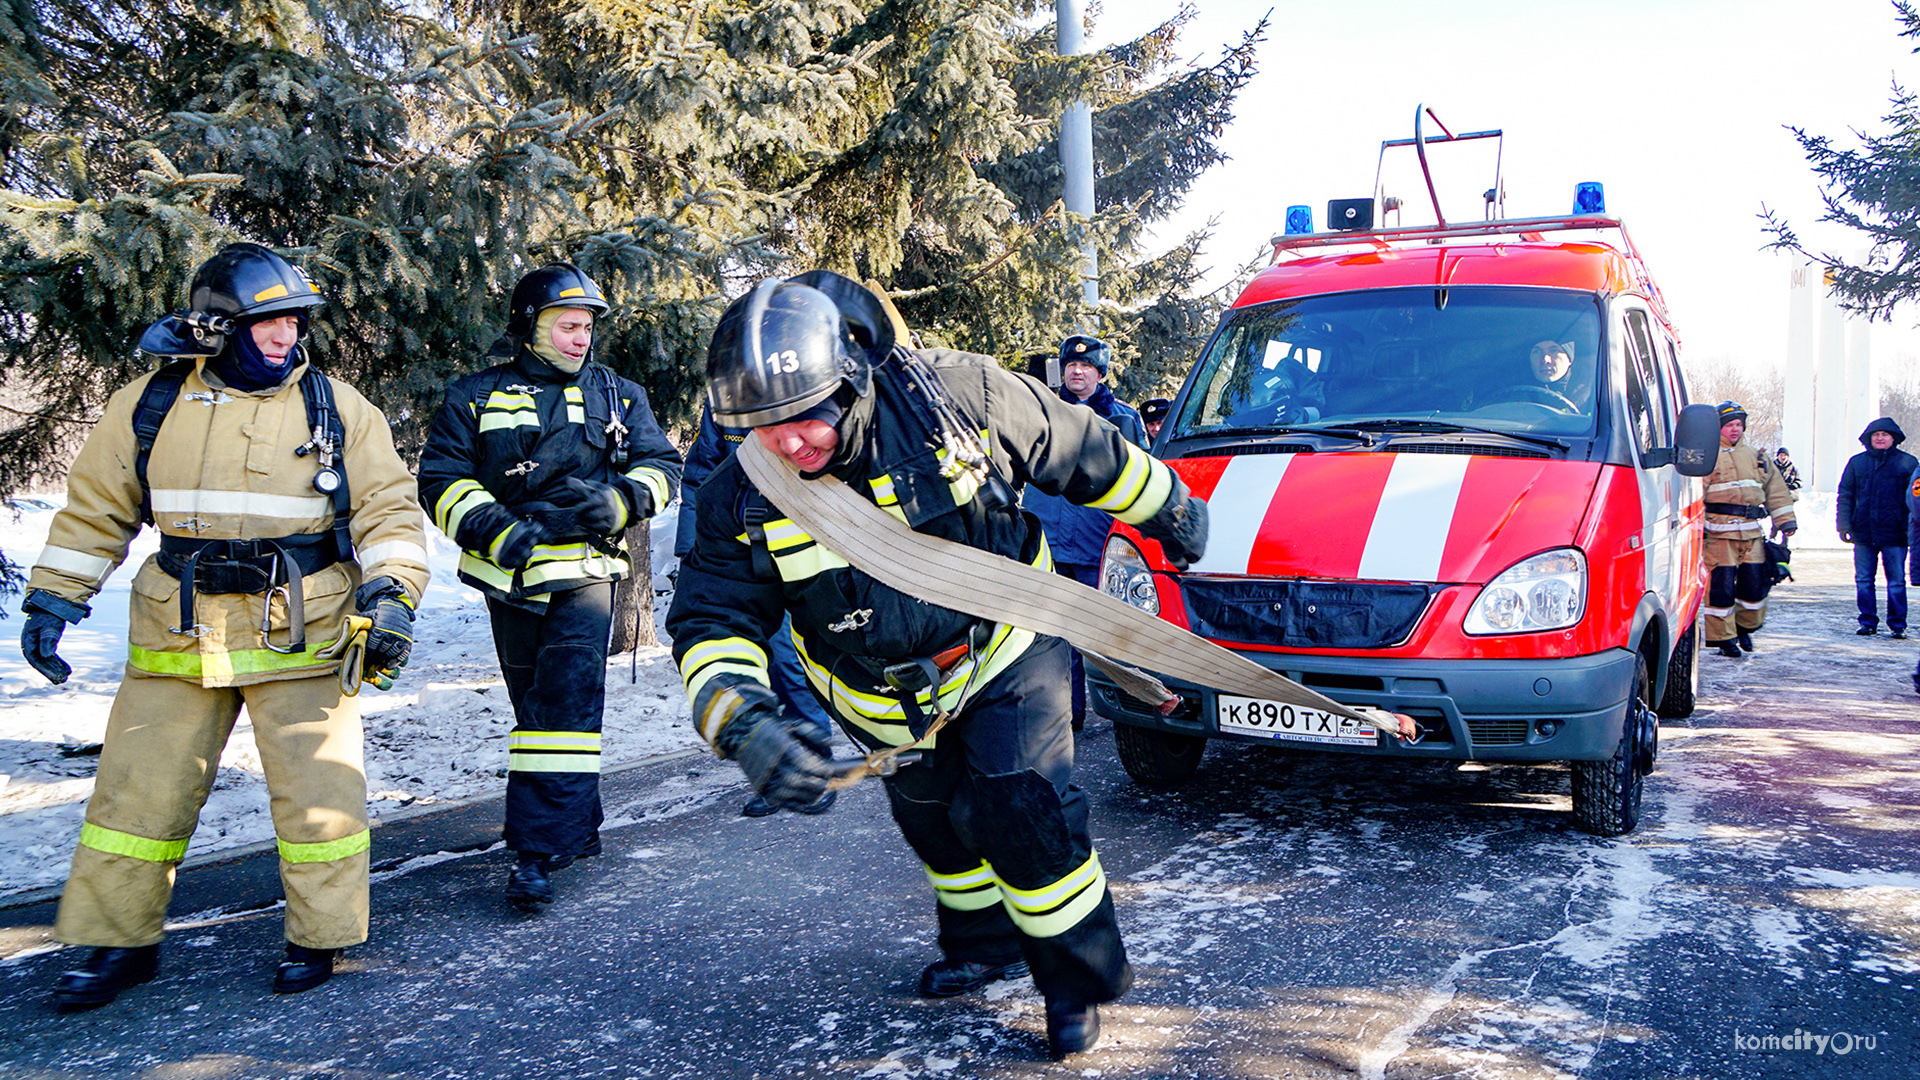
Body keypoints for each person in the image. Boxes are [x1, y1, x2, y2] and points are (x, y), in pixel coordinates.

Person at [666, 272, 1208, 1059]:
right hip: (876, 697)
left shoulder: (958, 401)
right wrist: (743, 722)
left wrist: (1170, 505)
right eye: (763, 426)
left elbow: (1082, 450)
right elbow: (713, 619)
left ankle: (1075, 978)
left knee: (1020, 809)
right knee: (937, 826)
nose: (787, 442)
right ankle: (983, 943)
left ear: (849, 382)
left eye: (806, 416)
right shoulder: (740, 496)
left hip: (1003, 649)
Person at [19, 242, 429, 1009]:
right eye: (267, 323)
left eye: (294, 322)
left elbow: (390, 514)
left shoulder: (338, 408)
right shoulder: (149, 404)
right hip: (179, 633)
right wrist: (54, 596)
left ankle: (321, 935)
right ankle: (116, 944)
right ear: (216, 328)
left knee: (320, 800)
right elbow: (94, 510)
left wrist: (395, 595)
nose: (286, 338)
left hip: (302, 631)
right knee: (136, 800)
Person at [416, 263, 681, 909]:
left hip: (585, 574)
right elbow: (441, 476)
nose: (579, 338)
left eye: (586, 327)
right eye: (566, 326)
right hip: (507, 579)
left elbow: (663, 464)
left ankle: (534, 854)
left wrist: (621, 502)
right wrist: (492, 528)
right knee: (536, 709)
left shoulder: (620, 395)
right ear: (529, 326)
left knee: (559, 709)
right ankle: (573, 827)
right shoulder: (475, 395)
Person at [674, 402, 838, 817]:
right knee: (764, 661)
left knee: (790, 665)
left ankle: (814, 766)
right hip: (744, 555)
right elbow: (699, 475)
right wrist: (690, 545)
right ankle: (781, 767)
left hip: (802, 548)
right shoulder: (723, 409)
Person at [1021, 335, 1147, 733]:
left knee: (1108, 632)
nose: (1077, 371)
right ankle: (1066, 716)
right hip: (1049, 541)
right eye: (1071, 365)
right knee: (1055, 634)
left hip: (1098, 543)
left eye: (1086, 366)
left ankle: (1129, 710)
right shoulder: (1043, 411)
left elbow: (1142, 476)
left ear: (1100, 372)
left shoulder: (1123, 419)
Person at [1703, 401, 1797, 657]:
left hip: (1752, 535)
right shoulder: (1706, 457)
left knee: (1754, 586)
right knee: (1720, 590)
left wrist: (1785, 520)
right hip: (1718, 534)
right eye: (1729, 425)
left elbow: (1776, 491)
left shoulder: (1758, 457)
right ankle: (1724, 639)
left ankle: (1744, 627)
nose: (1734, 430)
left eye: (1738, 425)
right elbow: (1692, 495)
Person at [1836, 417, 1918, 638]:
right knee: (1863, 580)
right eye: (1876, 435)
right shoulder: (1856, 463)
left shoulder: (1909, 463)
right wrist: (1843, 524)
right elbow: (1846, 496)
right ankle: (1868, 621)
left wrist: (1911, 529)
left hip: (1896, 534)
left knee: (1897, 582)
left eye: (1885, 435)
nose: (1880, 438)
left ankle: (1898, 624)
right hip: (1863, 533)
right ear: (1869, 439)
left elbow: (1915, 500)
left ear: (1894, 438)